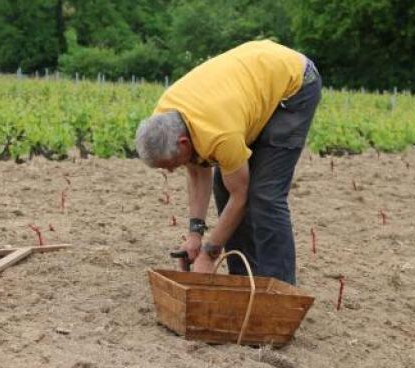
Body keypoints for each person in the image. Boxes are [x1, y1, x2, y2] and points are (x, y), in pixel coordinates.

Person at [135, 40, 321, 284]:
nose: (170, 170)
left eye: (169, 164)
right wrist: (195, 235)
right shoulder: (167, 116)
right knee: (223, 186)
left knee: (264, 194)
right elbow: (196, 171)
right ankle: (243, 279)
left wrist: (209, 254)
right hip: (252, 82)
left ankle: (280, 288)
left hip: (295, 85)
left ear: (183, 143)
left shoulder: (219, 134)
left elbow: (240, 195)